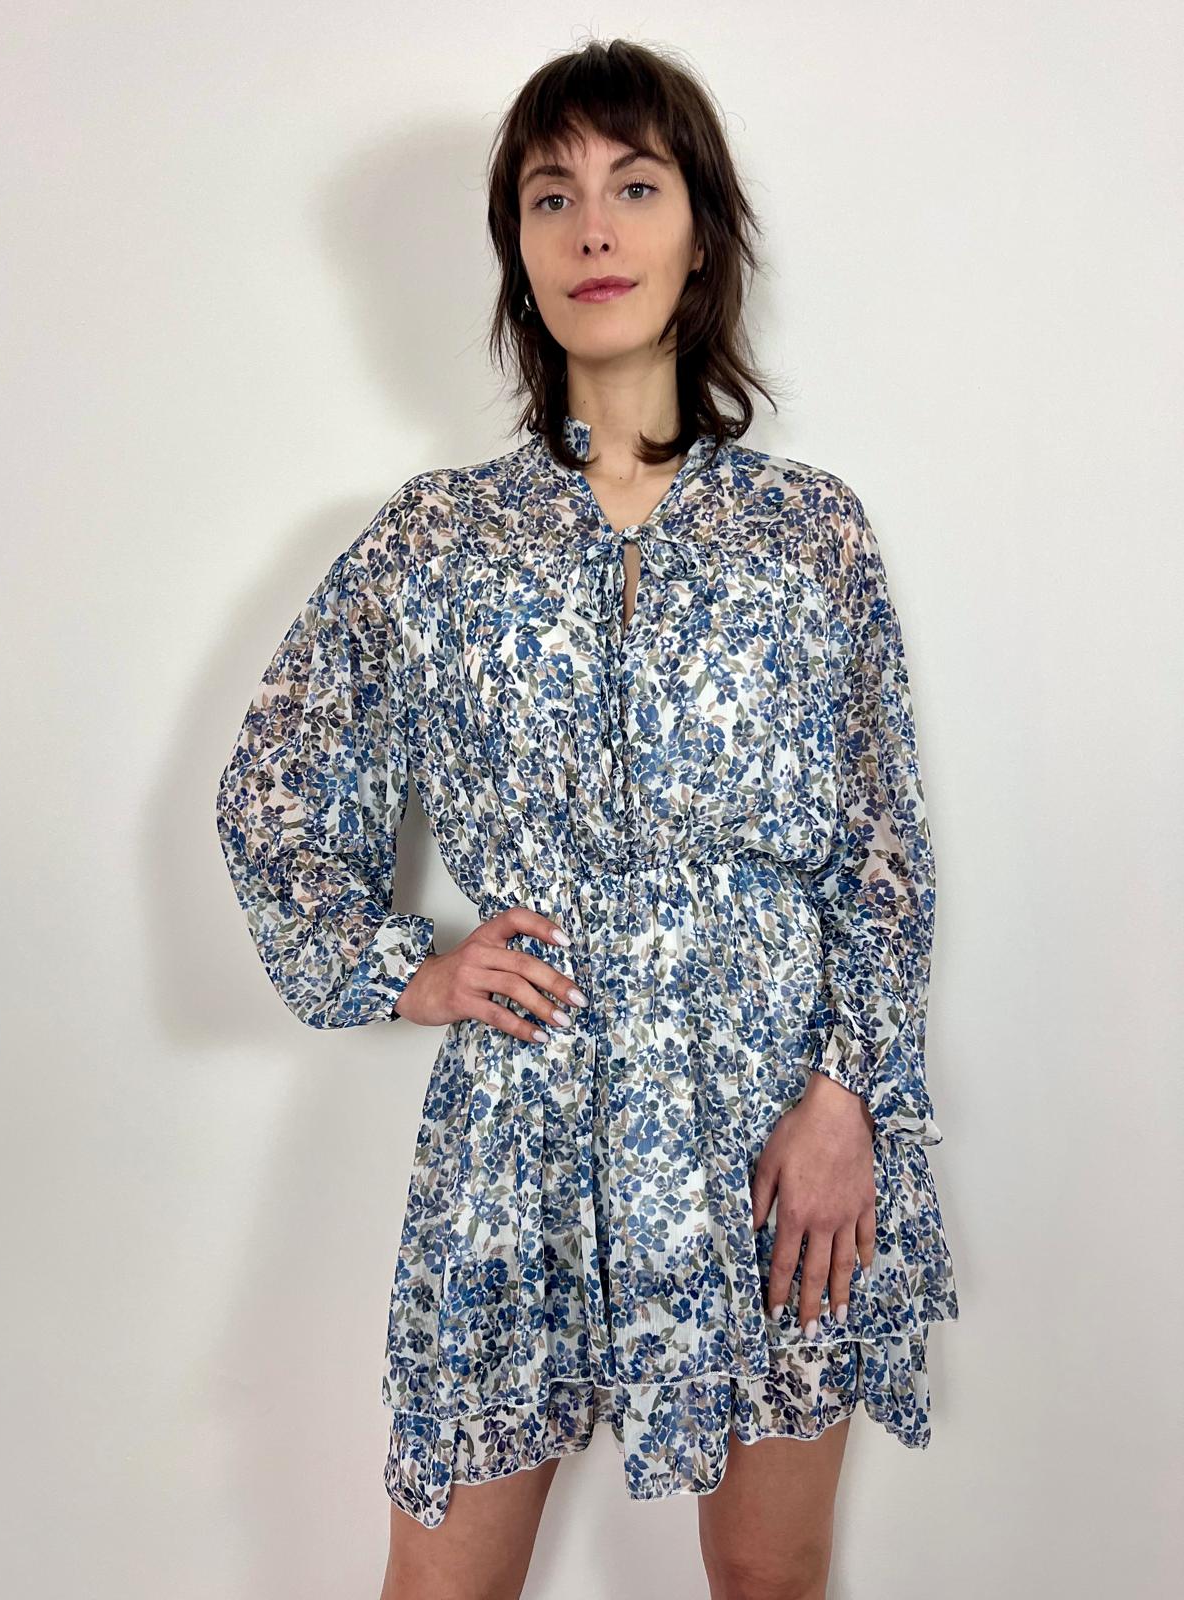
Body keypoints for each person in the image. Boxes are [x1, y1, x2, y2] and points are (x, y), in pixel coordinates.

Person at [214, 36, 959, 1600]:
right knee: (445, 1585)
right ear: (519, 250)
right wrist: (405, 967)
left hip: (770, 1119)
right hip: (526, 1117)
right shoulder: (436, 539)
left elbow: (881, 850)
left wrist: (848, 1100)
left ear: (701, 234)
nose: (594, 228)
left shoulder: (809, 532)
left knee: (771, 1581)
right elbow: (277, 783)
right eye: (551, 197)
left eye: (635, 185)